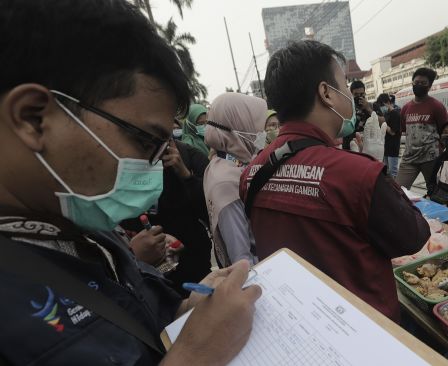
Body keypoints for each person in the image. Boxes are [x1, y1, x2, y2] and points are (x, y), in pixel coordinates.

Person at [0, 1, 260, 364]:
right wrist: (196, 354)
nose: (154, 167)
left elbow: (139, 313)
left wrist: (188, 307)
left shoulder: (86, 227)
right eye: (145, 142)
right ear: (33, 118)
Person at [240, 40, 430, 322]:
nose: (349, 95)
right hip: (363, 330)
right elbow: (414, 236)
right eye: (344, 83)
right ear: (326, 93)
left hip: (296, 321)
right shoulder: (356, 174)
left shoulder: (252, 171)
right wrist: (377, 171)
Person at [121, 138, 213, 294]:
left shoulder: (191, 156)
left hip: (193, 261)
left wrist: (185, 175)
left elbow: (209, 210)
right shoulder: (126, 162)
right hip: (147, 268)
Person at [204, 93, 265, 266]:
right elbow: (242, 258)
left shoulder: (226, 164)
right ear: (238, 128)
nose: (262, 134)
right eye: (257, 128)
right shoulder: (227, 182)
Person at [396, 67, 448, 190]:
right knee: (398, 191)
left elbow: (445, 132)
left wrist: (441, 152)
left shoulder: (437, 106)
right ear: (412, 84)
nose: (419, 85)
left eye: (423, 83)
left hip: (431, 159)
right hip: (409, 159)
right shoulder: (405, 108)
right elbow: (404, 130)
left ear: (429, 86)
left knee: (435, 192)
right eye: (416, 82)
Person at [378, 93, 401, 178]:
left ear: (388, 102)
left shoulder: (395, 114)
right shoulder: (386, 115)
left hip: (393, 147)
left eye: (382, 105)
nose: (381, 108)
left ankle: (395, 190)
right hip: (386, 147)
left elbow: (392, 132)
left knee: (393, 171)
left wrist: (383, 123)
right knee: (386, 171)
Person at [342, 80, 370, 150]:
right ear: (351, 94)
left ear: (365, 93)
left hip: (367, 145)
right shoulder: (346, 107)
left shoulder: (372, 106)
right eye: (356, 94)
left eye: (361, 94)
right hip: (350, 145)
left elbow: (382, 122)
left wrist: (368, 108)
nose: (359, 97)